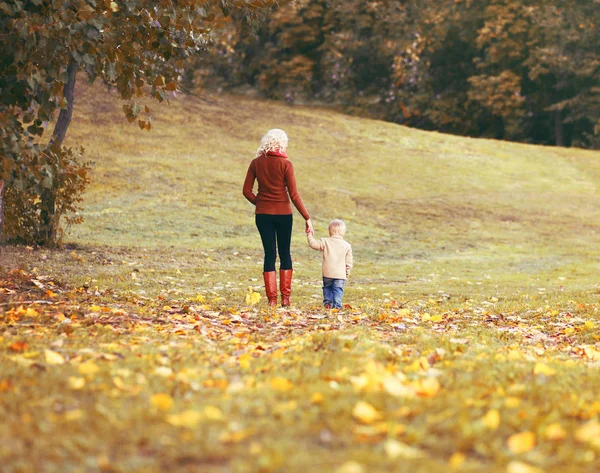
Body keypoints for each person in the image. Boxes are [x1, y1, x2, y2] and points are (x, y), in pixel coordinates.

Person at [243, 129, 313, 307]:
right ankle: (286, 299)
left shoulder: (256, 163)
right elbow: (294, 195)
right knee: (285, 253)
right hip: (284, 215)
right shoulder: (286, 164)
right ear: (282, 143)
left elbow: (246, 191)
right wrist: (307, 217)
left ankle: (272, 300)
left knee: (269, 254)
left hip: (263, 215)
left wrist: (261, 203)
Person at [307, 219, 353, 309]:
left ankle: (328, 303)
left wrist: (309, 235)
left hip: (327, 273)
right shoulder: (347, 245)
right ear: (343, 232)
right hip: (340, 274)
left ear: (330, 231)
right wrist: (347, 272)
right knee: (338, 290)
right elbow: (349, 261)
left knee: (327, 288)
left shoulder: (325, 241)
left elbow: (314, 244)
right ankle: (337, 305)